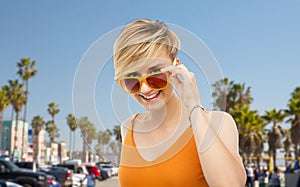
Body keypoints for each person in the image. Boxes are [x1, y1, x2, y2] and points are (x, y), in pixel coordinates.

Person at [113, 19, 246, 186]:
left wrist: (194, 108)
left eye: (155, 73)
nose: (145, 89)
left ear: (175, 66)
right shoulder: (128, 128)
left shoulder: (218, 123)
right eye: (131, 79)